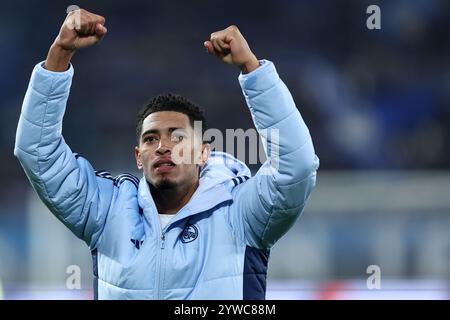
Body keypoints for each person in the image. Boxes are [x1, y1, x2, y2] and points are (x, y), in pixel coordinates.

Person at [14, 8, 319, 300]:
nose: (163, 146)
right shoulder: (107, 212)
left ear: (203, 154)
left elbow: (297, 167)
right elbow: (38, 154)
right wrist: (59, 54)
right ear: (138, 157)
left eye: (178, 137)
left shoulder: (241, 214)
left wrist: (252, 70)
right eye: (150, 139)